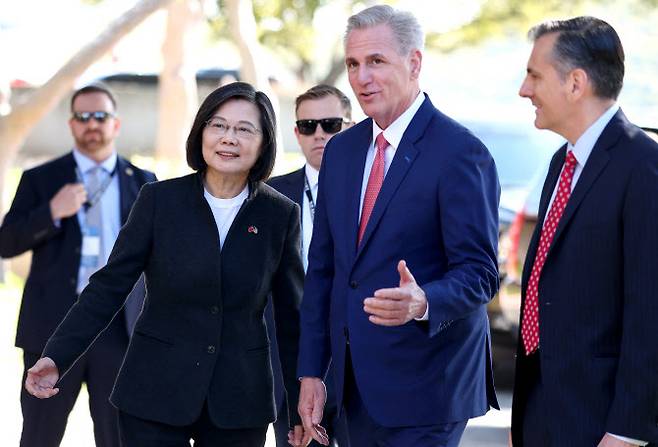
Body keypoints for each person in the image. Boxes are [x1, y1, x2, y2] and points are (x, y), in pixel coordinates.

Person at [23, 81, 307, 447]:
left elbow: (291, 318)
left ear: (264, 142)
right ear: (201, 132)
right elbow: (109, 286)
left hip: (239, 400)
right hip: (153, 390)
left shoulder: (279, 214)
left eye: (244, 129)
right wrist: (57, 356)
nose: (228, 138)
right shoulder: (160, 200)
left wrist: (300, 404)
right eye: (218, 125)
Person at [296, 5, 500, 447]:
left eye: (376, 61)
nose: (361, 77)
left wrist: (424, 300)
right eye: (353, 64)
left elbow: (481, 273)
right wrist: (312, 371)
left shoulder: (461, 153)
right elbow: (325, 270)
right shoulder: (342, 152)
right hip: (353, 390)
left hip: (430, 386)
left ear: (414, 63)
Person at [511, 17, 658, 446]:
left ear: (576, 83)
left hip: (603, 426)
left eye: (534, 75)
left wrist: (626, 433)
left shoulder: (644, 170)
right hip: (544, 414)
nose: (524, 89)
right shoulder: (561, 163)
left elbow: (650, 316)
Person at [0, 82, 156, 447]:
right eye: (83, 116)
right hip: (52, 329)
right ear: (71, 124)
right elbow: (6, 242)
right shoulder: (41, 179)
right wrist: (51, 212)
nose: (92, 123)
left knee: (118, 436)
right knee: (40, 435)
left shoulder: (145, 183)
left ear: (115, 124)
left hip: (119, 329)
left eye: (100, 116)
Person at [267, 84, 352, 447]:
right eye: (307, 126)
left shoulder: (375, 187)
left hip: (355, 352)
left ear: (351, 125)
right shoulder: (269, 194)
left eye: (331, 124)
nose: (319, 134)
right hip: (290, 357)